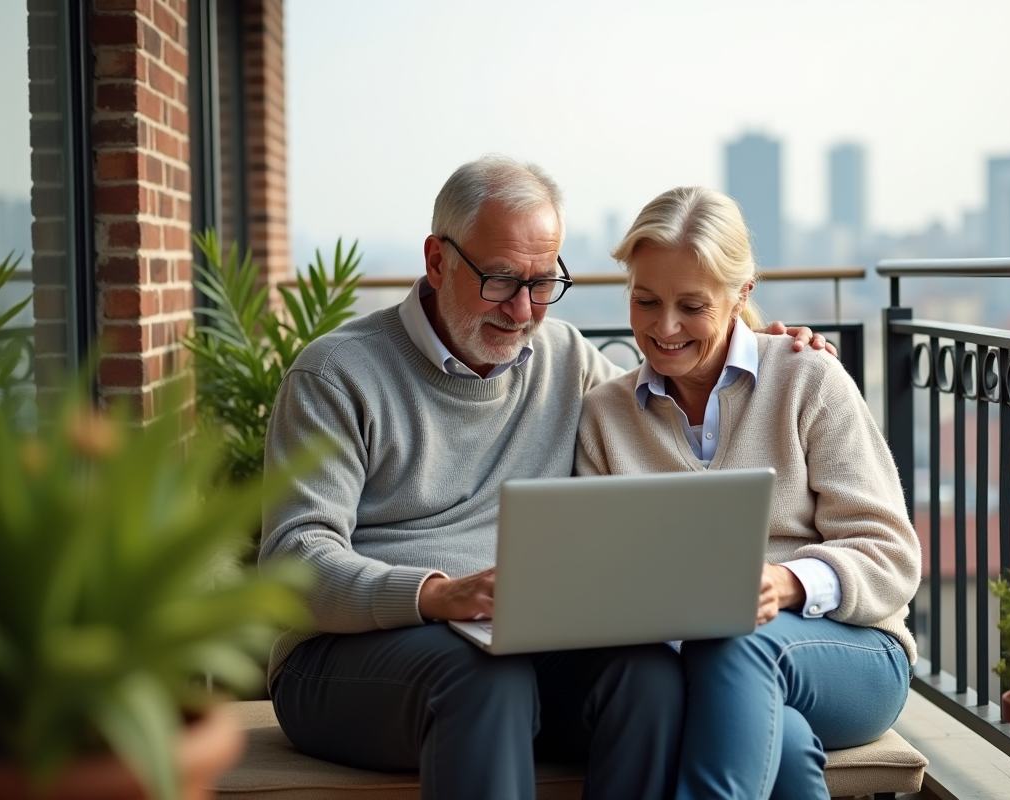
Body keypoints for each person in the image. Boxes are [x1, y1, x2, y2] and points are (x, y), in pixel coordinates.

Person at [259, 157, 835, 800]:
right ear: (437, 260)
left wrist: (765, 349)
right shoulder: (336, 375)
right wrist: (434, 594)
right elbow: (293, 561)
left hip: (518, 645)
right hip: (349, 657)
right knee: (485, 677)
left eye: (542, 283)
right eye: (501, 280)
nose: (522, 309)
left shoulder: (564, 360)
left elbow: (674, 395)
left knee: (648, 676)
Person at [575, 186, 921, 800]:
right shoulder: (605, 415)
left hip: (849, 654)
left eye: (692, 306)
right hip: (690, 670)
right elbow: (599, 580)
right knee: (783, 744)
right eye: (646, 300)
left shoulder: (807, 377)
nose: (665, 327)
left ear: (742, 294)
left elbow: (891, 554)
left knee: (731, 644)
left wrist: (785, 583)